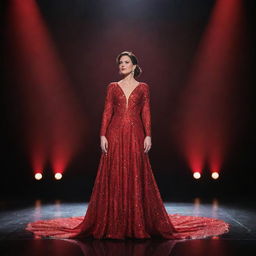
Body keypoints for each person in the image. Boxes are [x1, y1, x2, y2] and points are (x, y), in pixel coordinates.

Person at [25, 51, 229, 240]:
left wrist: (148, 135)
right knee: (113, 173)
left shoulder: (144, 87)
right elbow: (106, 112)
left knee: (136, 173)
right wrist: (102, 135)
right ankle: (114, 223)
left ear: (134, 66)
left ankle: (136, 223)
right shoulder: (112, 86)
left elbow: (146, 112)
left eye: (126, 62)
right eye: (120, 63)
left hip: (135, 134)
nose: (122, 65)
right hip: (114, 133)